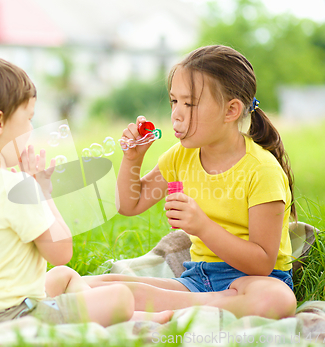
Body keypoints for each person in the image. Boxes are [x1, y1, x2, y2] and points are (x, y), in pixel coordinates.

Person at [0, 53, 173, 331]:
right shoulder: (15, 188)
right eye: (28, 119)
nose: (31, 129)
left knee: (64, 277)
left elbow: (58, 265)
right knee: (120, 296)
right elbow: (61, 252)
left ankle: (117, 316)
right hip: (9, 318)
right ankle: (126, 317)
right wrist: (42, 191)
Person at [85, 45, 298, 319]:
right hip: (199, 279)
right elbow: (130, 204)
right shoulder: (182, 156)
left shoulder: (261, 171)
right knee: (102, 284)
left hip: (252, 281)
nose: (176, 113)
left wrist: (202, 227)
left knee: (277, 299)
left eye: (190, 104)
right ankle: (197, 307)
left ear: (231, 110)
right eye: (174, 101)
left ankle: (161, 309)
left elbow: (262, 263)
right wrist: (132, 159)